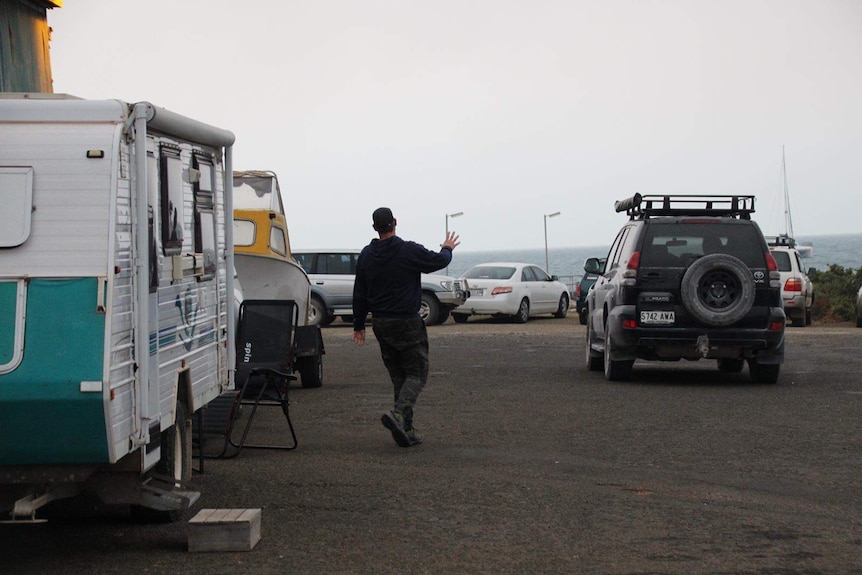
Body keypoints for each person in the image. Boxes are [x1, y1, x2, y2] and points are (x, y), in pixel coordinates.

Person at [352, 207, 460, 447]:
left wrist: (359, 324)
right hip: (406, 322)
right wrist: (447, 248)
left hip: (380, 322)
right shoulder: (407, 250)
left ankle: (406, 429)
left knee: (399, 376)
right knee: (417, 371)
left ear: (374, 228)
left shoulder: (367, 255)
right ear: (395, 223)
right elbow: (438, 261)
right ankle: (399, 415)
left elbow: (360, 292)